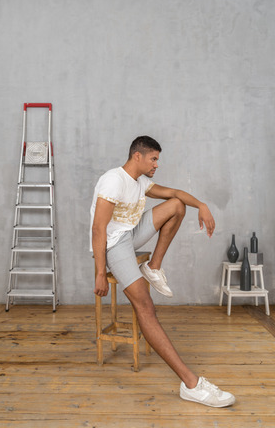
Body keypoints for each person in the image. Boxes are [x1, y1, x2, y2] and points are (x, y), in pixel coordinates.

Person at [90, 135, 235, 408]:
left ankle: (152, 267)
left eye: (157, 159)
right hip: (112, 245)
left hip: (130, 234)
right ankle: (191, 384)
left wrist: (202, 205)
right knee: (145, 306)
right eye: (153, 159)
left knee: (177, 206)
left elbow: (176, 195)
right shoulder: (114, 180)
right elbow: (99, 229)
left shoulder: (141, 182)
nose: (157, 164)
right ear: (137, 156)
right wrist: (100, 272)